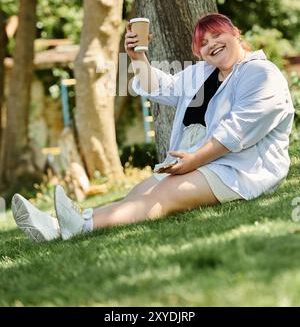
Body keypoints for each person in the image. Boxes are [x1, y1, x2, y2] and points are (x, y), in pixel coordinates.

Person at [11, 13, 295, 243]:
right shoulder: (204, 73)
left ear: (235, 33)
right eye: (203, 43)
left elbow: (238, 130)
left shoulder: (260, 73)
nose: (211, 44)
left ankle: (79, 225)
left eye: (217, 35)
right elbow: (161, 87)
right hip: (206, 161)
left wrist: (194, 161)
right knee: (139, 193)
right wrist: (138, 59)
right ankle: (57, 227)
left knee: (163, 195)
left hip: (243, 169)